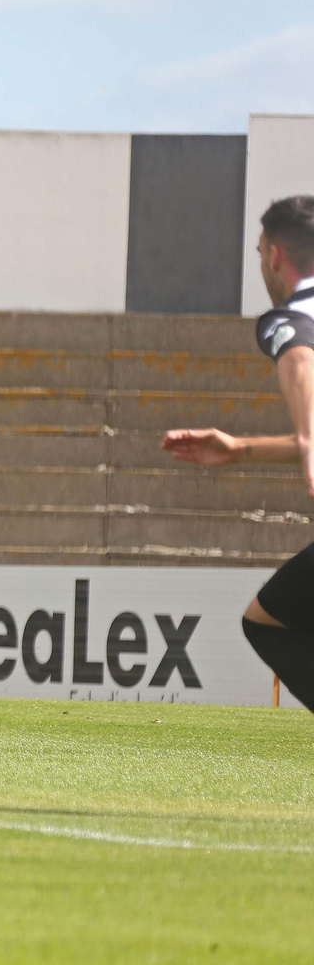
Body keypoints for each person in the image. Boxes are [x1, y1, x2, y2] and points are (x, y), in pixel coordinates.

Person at [162, 194, 314, 711]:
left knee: (266, 622)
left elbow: (298, 355)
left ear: (274, 255)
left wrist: (308, 432)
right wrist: (241, 448)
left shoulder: (290, 316)